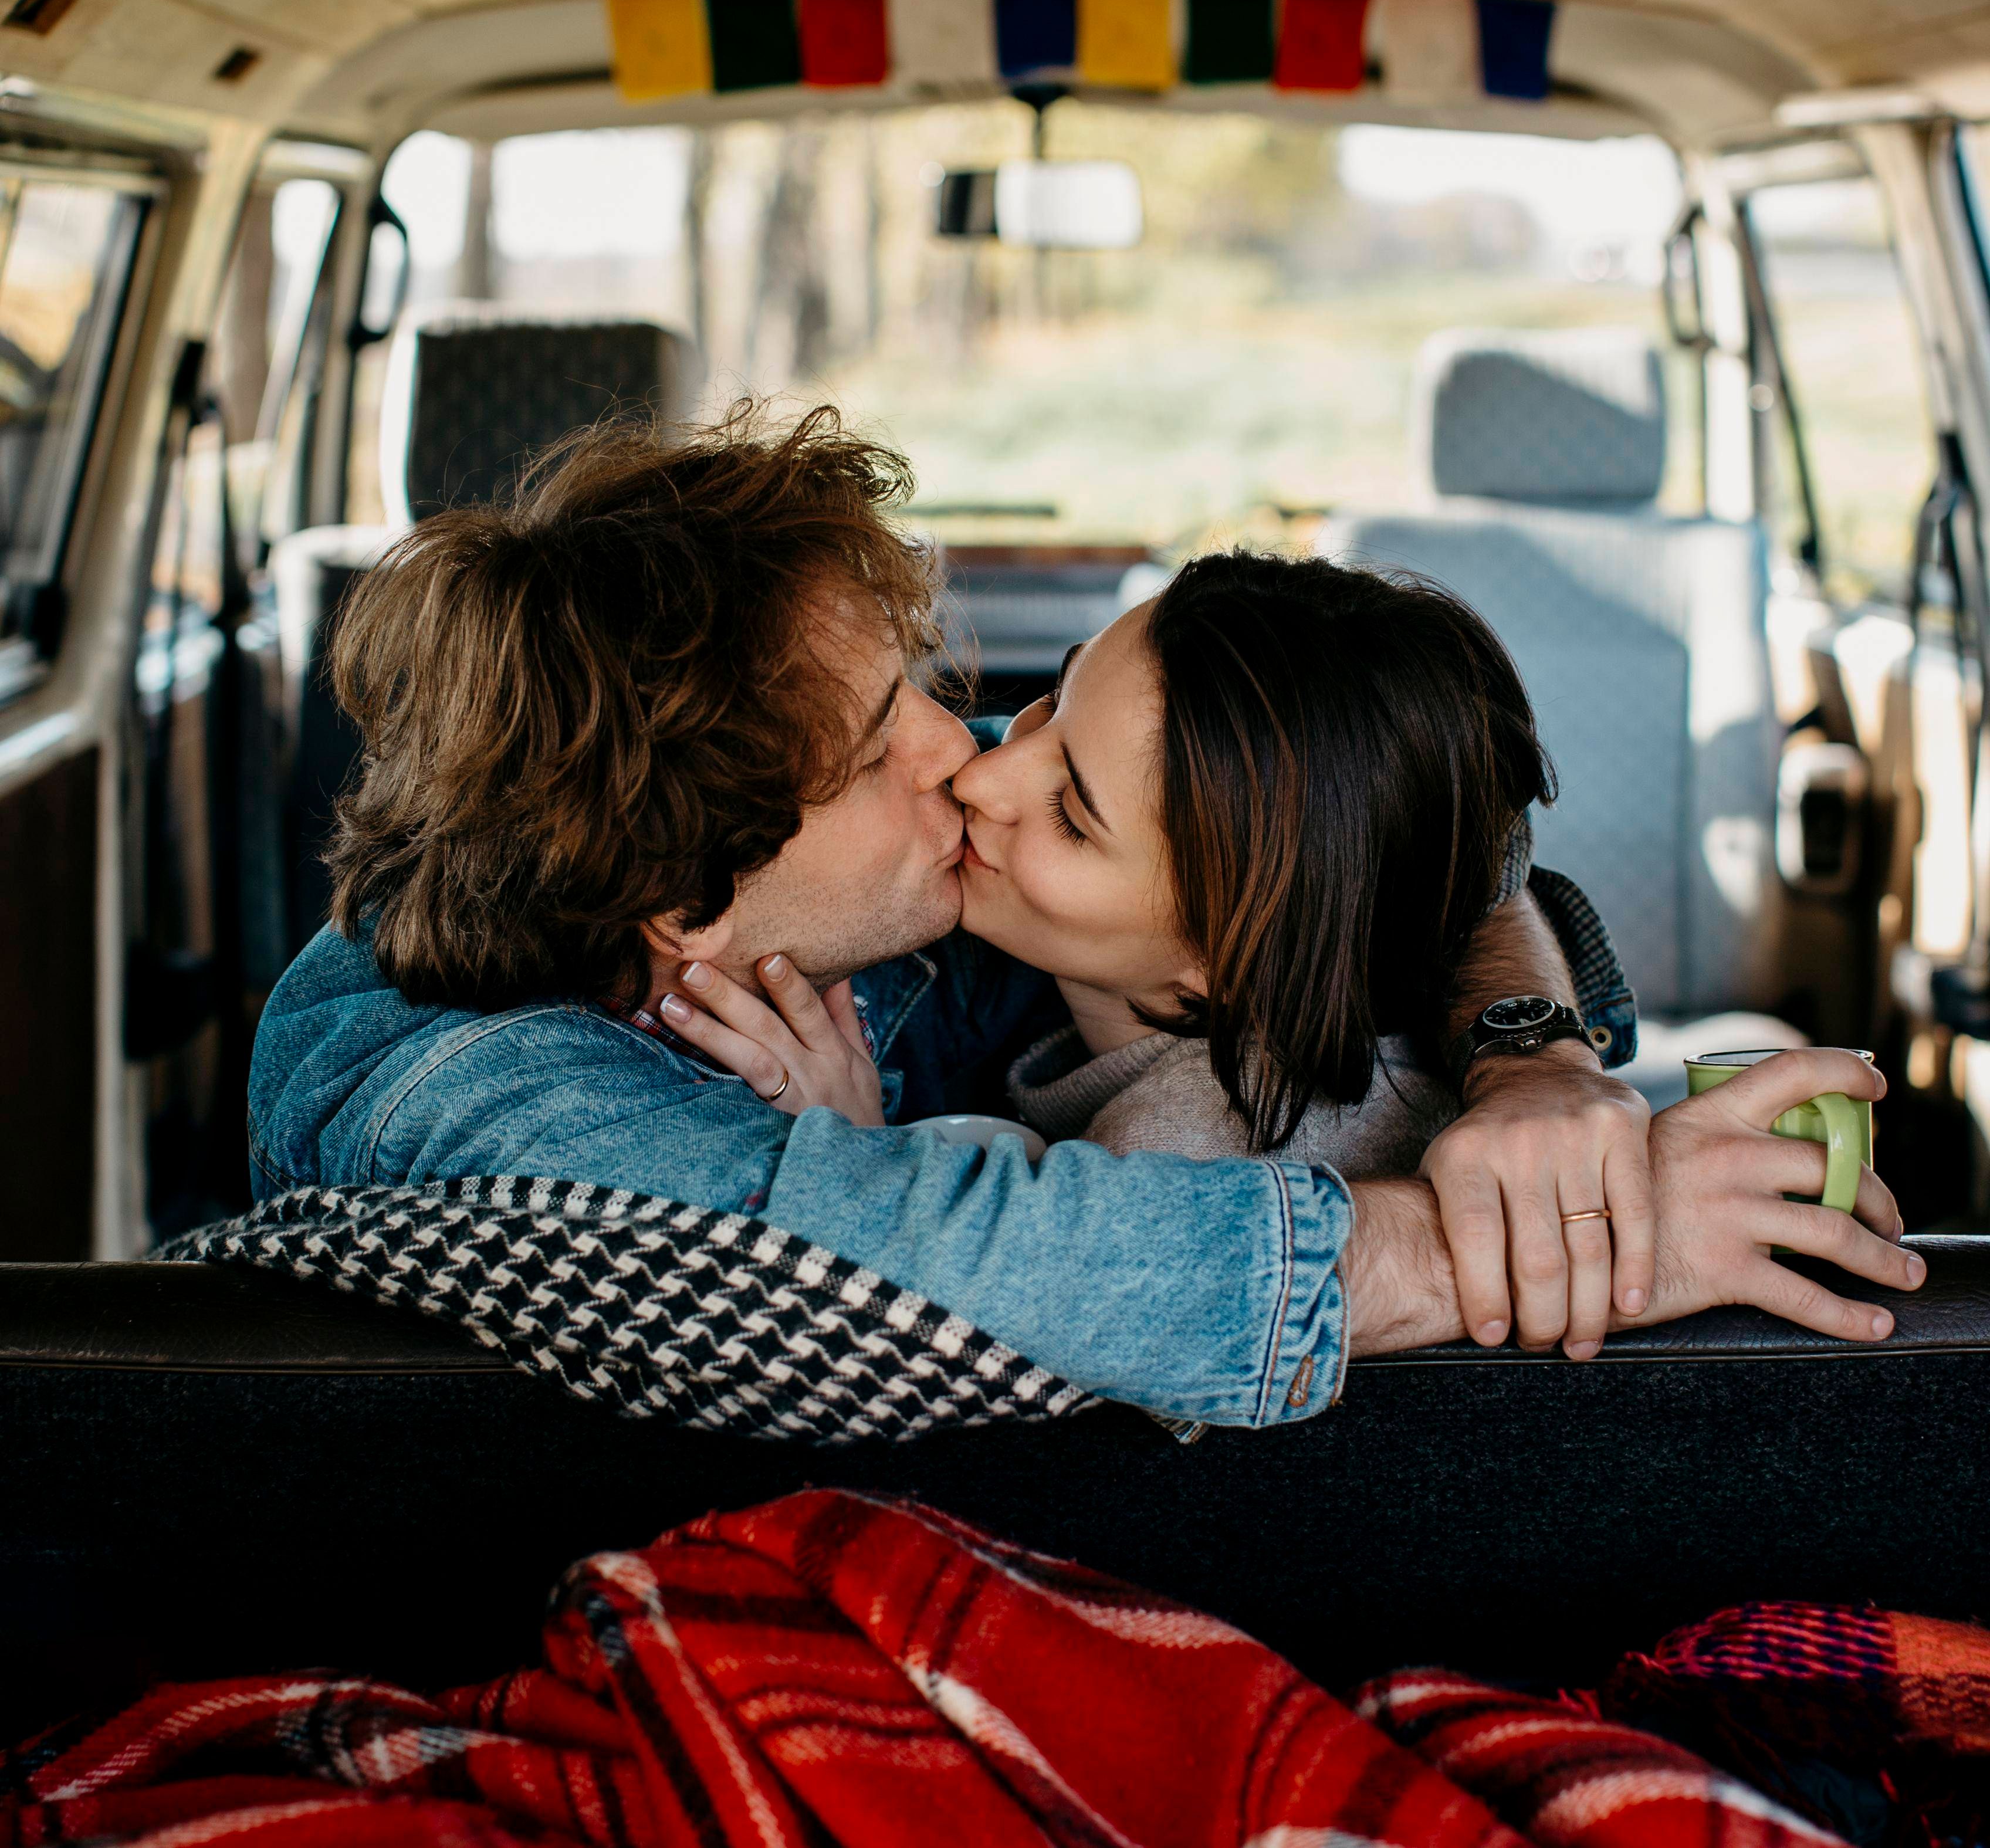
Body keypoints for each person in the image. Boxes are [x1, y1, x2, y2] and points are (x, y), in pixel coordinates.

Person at [249, 406, 1917, 1430]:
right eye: (875, 742)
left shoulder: (832, 857)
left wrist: (1531, 1054)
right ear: (680, 905)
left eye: (928, 687)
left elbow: (1400, 843)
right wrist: (1533, 1248)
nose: (966, 755)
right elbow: (937, 1262)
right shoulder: (482, 1108)